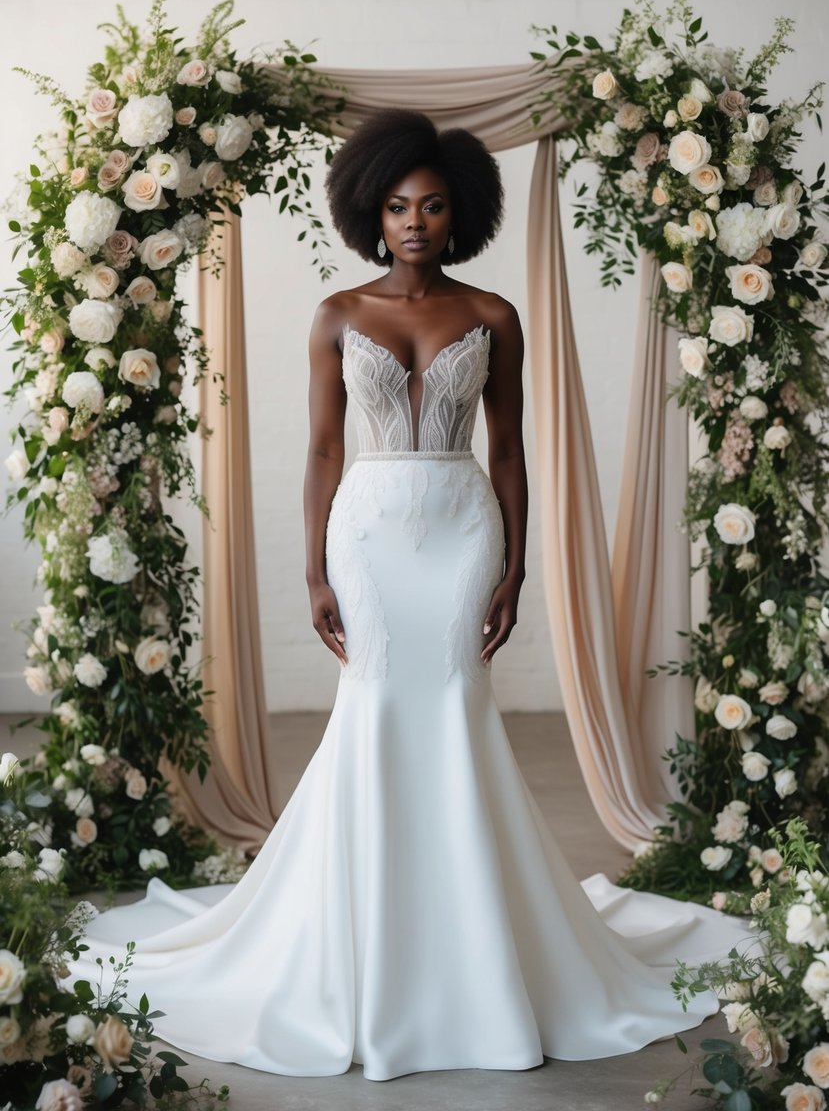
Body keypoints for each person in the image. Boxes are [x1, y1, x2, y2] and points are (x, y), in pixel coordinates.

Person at [65, 109, 755, 1083]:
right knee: (380, 705)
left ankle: (471, 936)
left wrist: (514, 564)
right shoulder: (339, 314)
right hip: (370, 531)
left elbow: (509, 451)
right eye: (397, 206)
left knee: (455, 706)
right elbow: (318, 451)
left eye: (433, 206)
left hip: (462, 522)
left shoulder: (492, 317)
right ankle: (373, 936)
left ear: (459, 212)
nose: (416, 222)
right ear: (370, 213)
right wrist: (312, 568)